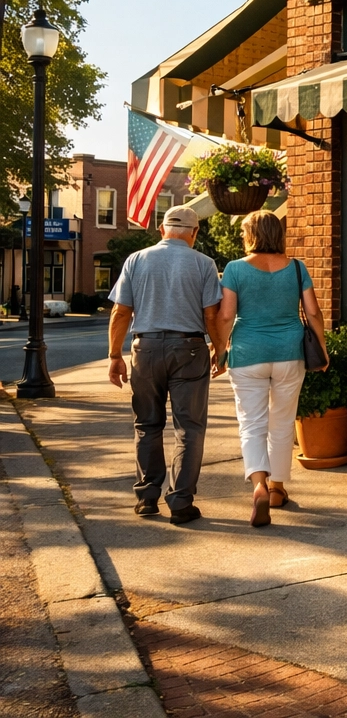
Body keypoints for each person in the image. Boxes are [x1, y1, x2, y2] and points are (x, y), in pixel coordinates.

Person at [106, 206, 226, 525]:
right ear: (194, 233)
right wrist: (221, 349)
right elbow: (212, 315)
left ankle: (147, 497)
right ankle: (181, 501)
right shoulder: (204, 264)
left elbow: (120, 312)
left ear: (162, 229)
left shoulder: (136, 259)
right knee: (188, 426)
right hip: (189, 347)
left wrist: (115, 355)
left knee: (147, 423)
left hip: (144, 348)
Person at [212, 210, 329, 527]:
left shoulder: (235, 269)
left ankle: (259, 486)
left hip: (248, 353)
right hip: (290, 353)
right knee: (282, 422)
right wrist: (323, 348)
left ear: (251, 235)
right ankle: (277, 489)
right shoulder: (296, 268)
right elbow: (314, 312)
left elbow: (225, 316)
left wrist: (220, 353)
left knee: (251, 423)